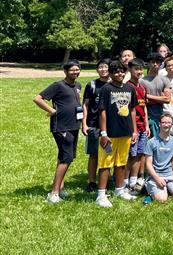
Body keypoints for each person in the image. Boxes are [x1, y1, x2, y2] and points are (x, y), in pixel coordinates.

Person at [33, 60, 83, 203]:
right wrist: (51, 110)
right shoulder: (58, 85)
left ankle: (59, 188)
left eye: (77, 69)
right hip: (61, 127)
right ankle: (53, 194)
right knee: (66, 158)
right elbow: (37, 98)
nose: (75, 72)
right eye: (72, 70)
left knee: (65, 157)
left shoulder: (77, 85)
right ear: (65, 71)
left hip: (74, 125)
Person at [95, 60, 139, 207]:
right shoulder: (106, 89)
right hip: (110, 134)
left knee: (121, 163)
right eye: (116, 72)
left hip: (125, 132)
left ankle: (119, 190)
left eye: (121, 71)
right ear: (111, 74)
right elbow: (102, 111)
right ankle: (101, 194)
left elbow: (133, 110)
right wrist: (103, 132)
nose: (119, 74)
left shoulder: (130, 89)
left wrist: (134, 130)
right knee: (105, 164)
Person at [80, 58, 110, 193]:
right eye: (101, 67)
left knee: (109, 153)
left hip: (110, 127)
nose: (103, 69)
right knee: (93, 155)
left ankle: (107, 180)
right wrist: (84, 123)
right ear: (97, 69)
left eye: (106, 67)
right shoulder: (91, 85)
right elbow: (85, 105)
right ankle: (92, 182)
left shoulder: (115, 84)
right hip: (93, 125)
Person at [144, 113, 173, 202]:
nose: (166, 125)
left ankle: (166, 188)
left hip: (170, 175)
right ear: (159, 124)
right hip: (155, 176)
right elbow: (148, 164)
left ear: (171, 124)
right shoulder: (151, 142)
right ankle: (149, 186)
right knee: (162, 199)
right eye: (164, 122)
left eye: (169, 123)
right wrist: (157, 178)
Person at [125, 58, 149, 194]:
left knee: (140, 155)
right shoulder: (128, 87)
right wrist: (132, 129)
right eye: (136, 69)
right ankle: (124, 182)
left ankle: (134, 181)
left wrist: (147, 125)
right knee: (130, 155)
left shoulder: (142, 87)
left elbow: (144, 107)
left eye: (140, 69)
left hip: (142, 127)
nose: (138, 71)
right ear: (130, 70)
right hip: (132, 128)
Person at [141, 53, 169, 139]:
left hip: (160, 116)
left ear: (161, 64)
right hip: (146, 116)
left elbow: (167, 99)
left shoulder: (164, 79)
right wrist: (160, 99)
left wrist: (148, 96)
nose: (155, 64)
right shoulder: (142, 81)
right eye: (153, 62)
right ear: (148, 63)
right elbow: (143, 101)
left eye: (157, 62)